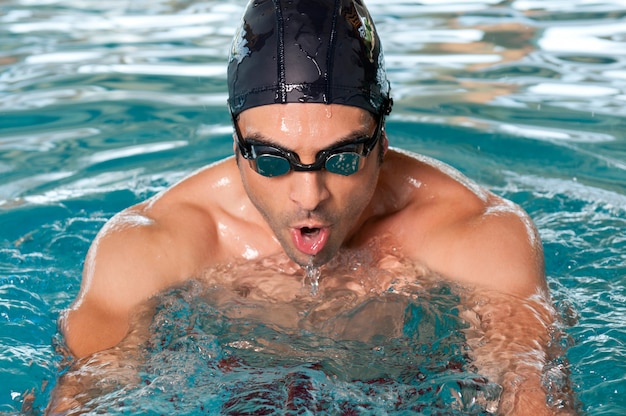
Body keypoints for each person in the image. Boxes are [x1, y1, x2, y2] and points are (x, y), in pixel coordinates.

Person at [52, 0, 572, 414]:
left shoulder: (474, 231)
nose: (309, 197)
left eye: (342, 159)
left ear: (382, 145)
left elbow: (527, 389)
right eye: (274, 161)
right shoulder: (151, 243)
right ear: (238, 148)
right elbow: (85, 395)